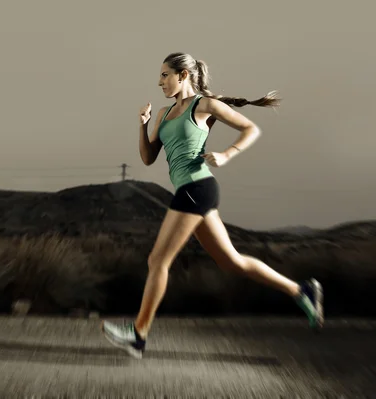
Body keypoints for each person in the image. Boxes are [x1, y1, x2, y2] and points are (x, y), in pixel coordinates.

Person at [101, 52, 324, 360]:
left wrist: (227, 154)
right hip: (193, 191)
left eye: (165, 74)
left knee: (157, 260)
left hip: (197, 187)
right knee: (232, 261)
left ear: (182, 75)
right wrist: (143, 125)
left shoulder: (203, 106)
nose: (160, 81)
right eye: (160, 76)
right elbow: (148, 157)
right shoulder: (164, 114)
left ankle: (139, 335)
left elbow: (251, 129)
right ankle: (301, 291)